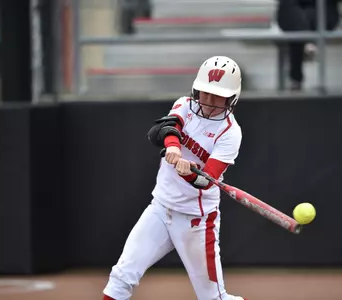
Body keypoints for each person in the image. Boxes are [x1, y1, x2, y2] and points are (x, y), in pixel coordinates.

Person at [102, 56, 245, 300]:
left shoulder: (230, 132)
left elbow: (207, 180)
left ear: (231, 98)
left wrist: (189, 172)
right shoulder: (185, 105)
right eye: (205, 93)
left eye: (217, 96)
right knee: (122, 276)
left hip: (196, 221)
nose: (209, 102)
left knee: (213, 299)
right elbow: (168, 127)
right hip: (160, 208)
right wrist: (173, 147)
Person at [276, 0, 342, 90]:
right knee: (297, 18)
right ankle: (309, 43)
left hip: (323, 8)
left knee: (301, 21)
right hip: (292, 11)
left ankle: (296, 78)